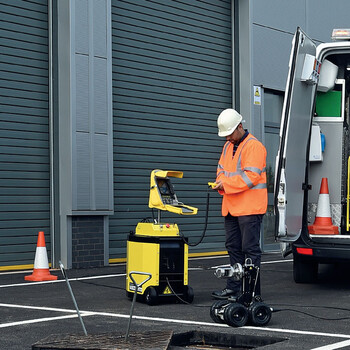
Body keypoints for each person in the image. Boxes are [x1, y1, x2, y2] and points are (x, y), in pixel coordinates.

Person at [211, 108, 267, 300]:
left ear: (240, 127)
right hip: (231, 207)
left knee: (250, 250)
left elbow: (250, 177)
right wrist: (220, 182)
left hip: (249, 208)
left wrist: (225, 184)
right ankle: (234, 288)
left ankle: (251, 292)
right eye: (225, 135)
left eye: (229, 134)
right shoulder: (228, 146)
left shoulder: (254, 146)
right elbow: (221, 169)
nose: (227, 138)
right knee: (233, 247)